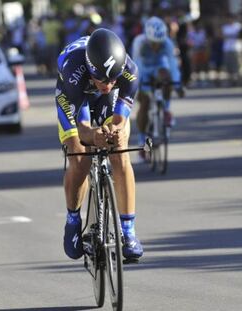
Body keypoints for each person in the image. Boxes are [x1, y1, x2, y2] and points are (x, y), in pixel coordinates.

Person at [56, 28, 143, 261]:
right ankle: (73, 220)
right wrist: (93, 135)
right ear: (92, 70)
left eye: (114, 78)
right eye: (103, 79)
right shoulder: (74, 68)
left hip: (106, 101)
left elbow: (120, 118)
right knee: (80, 153)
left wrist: (115, 130)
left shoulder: (130, 72)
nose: (108, 83)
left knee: (120, 150)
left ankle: (128, 232)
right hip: (73, 94)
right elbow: (84, 128)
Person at [131, 16, 184, 162]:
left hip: (159, 68)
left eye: (158, 43)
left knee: (166, 77)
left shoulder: (167, 43)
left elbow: (172, 65)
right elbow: (136, 66)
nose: (156, 47)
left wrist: (177, 84)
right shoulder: (139, 42)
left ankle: (165, 109)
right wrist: (140, 86)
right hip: (143, 70)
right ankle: (142, 141)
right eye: (153, 43)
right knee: (145, 102)